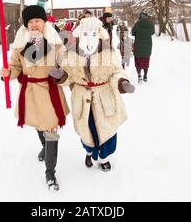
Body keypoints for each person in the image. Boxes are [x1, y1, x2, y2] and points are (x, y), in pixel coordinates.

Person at [50, 17, 135, 172]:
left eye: (93, 33)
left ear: (99, 34)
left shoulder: (108, 51)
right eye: (86, 33)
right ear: (80, 34)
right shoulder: (70, 53)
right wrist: (61, 76)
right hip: (82, 98)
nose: (89, 37)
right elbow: (69, 75)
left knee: (107, 129)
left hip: (104, 97)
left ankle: (104, 158)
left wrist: (122, 83)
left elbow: (117, 71)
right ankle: (89, 152)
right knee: (87, 129)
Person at [0, 5, 70, 191]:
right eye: (30, 21)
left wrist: (62, 75)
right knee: (39, 125)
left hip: (49, 92)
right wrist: (8, 72)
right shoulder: (20, 44)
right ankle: (45, 147)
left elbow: (67, 67)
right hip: (29, 92)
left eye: (37, 20)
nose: (34, 24)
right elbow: (15, 67)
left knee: (50, 129)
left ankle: (50, 173)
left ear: (44, 22)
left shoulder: (55, 43)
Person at [131, 12, 155, 83]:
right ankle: (145, 76)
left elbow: (133, 33)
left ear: (140, 17)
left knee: (137, 61)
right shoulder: (151, 24)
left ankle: (139, 75)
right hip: (147, 45)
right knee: (146, 61)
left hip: (138, 45)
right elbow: (153, 32)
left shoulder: (137, 23)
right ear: (146, 16)